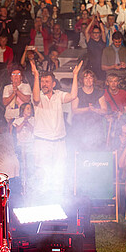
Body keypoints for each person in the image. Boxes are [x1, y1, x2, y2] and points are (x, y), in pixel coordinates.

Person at [30, 59, 83, 197]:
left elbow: (73, 96)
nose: (44, 84)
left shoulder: (59, 95)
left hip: (59, 142)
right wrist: (36, 76)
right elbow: (35, 99)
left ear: (53, 84)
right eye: (42, 81)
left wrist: (75, 75)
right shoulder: (38, 96)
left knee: (59, 173)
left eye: (47, 82)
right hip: (42, 142)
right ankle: (42, 201)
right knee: (42, 174)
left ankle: (58, 199)